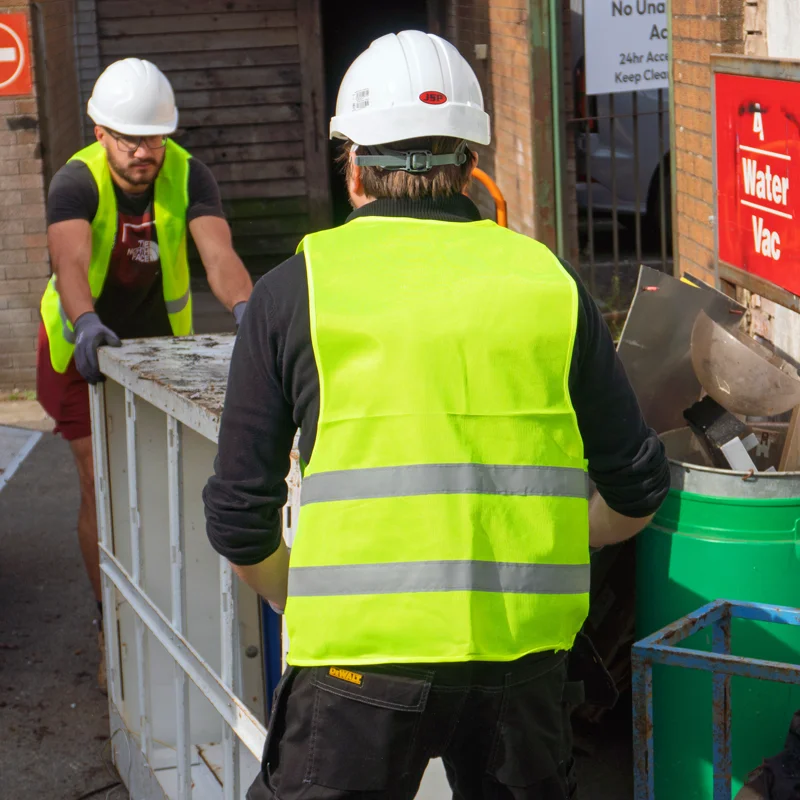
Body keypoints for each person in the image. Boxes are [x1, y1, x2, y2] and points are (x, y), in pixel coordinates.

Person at [204, 31, 670, 800]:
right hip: (523, 668)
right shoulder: (548, 283)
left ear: (353, 168)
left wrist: (310, 594)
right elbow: (637, 487)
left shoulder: (295, 291)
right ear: (468, 165)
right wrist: (549, 530)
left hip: (357, 669)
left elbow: (239, 517)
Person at [37, 58, 253, 691]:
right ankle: (112, 626)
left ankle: (175, 617)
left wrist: (248, 312)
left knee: (171, 484)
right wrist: (85, 324)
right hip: (81, 351)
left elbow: (219, 255)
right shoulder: (74, 181)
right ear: (100, 130)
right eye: (129, 138)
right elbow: (70, 264)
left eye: (154, 138)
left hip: (158, 351)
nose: (143, 151)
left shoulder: (190, 175)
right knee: (101, 483)